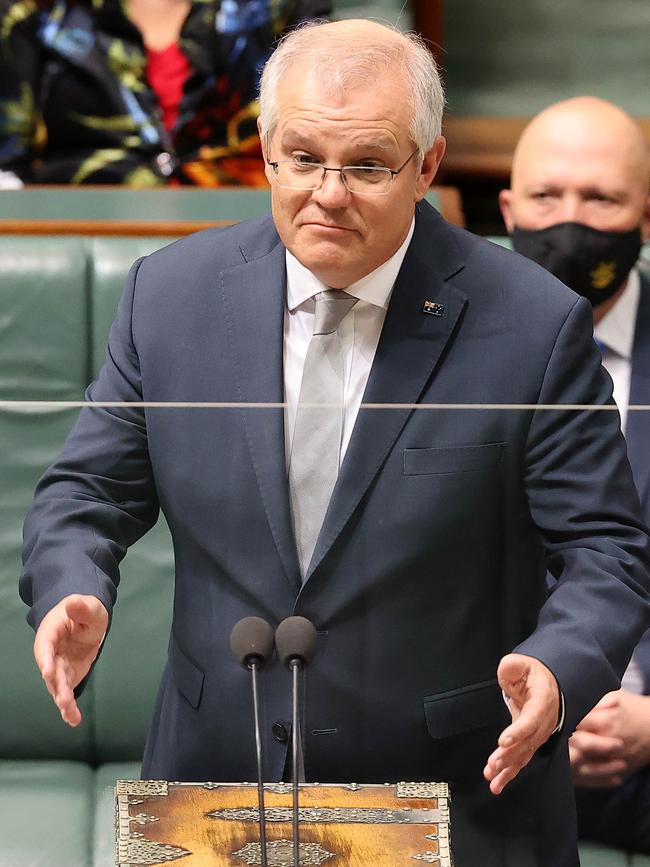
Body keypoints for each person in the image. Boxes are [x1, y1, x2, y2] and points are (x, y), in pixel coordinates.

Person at [19, 21, 650, 866]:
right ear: (267, 154)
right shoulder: (168, 297)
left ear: (427, 165)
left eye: (365, 166)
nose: (327, 192)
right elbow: (85, 494)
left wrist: (560, 662)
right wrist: (72, 587)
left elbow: (606, 548)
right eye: (302, 157)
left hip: (458, 797)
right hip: (216, 785)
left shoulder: (535, 324)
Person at [499, 95, 650, 853]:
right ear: (507, 208)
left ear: (645, 216)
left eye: (601, 198)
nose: (570, 219)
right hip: (479, 750)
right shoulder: (435, 353)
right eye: (546, 196)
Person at [0, 0, 330, 186]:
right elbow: (10, 167)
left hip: (245, 229)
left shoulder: (276, 9)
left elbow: (320, 136)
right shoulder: (33, 13)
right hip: (81, 232)